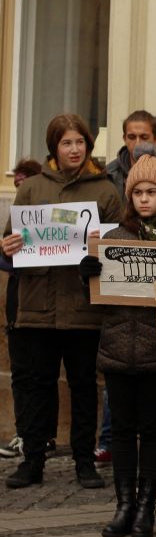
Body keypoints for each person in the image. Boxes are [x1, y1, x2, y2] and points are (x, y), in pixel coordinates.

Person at [78, 156, 156, 537]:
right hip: (116, 348)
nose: (144, 199)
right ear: (129, 197)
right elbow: (99, 298)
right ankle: (124, 505)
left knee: (151, 428)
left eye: (152, 192)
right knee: (121, 431)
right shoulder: (114, 239)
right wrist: (89, 274)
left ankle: (147, 506)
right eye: (138, 193)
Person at [2, 113, 123, 490]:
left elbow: (119, 248)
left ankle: (84, 462)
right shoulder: (32, 188)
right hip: (37, 305)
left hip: (85, 307)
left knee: (84, 385)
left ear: (88, 145)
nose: (74, 149)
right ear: (54, 147)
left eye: (80, 142)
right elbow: (10, 246)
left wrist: (99, 257)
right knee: (38, 385)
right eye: (66, 143)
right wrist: (7, 247)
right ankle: (32, 460)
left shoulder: (105, 191)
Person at [0, 159, 49, 460]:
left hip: (43, 304)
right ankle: (25, 434)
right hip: (19, 302)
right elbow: (4, 258)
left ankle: (44, 436)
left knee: (41, 375)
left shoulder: (50, 214)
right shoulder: (17, 221)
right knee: (21, 373)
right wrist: (10, 251)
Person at [105, 110, 156, 202]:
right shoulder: (109, 174)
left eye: (144, 137)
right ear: (125, 139)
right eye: (132, 137)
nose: (137, 143)